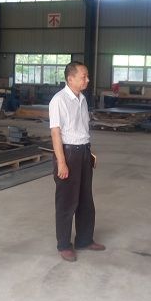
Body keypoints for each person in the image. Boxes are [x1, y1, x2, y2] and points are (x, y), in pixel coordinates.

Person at [49, 61, 105, 262]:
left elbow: (81, 128)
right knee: (67, 201)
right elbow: (55, 133)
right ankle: (64, 245)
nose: (87, 80)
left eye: (87, 76)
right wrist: (61, 162)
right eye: (83, 76)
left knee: (85, 199)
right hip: (69, 154)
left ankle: (84, 239)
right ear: (70, 78)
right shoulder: (59, 100)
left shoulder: (82, 99)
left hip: (84, 153)